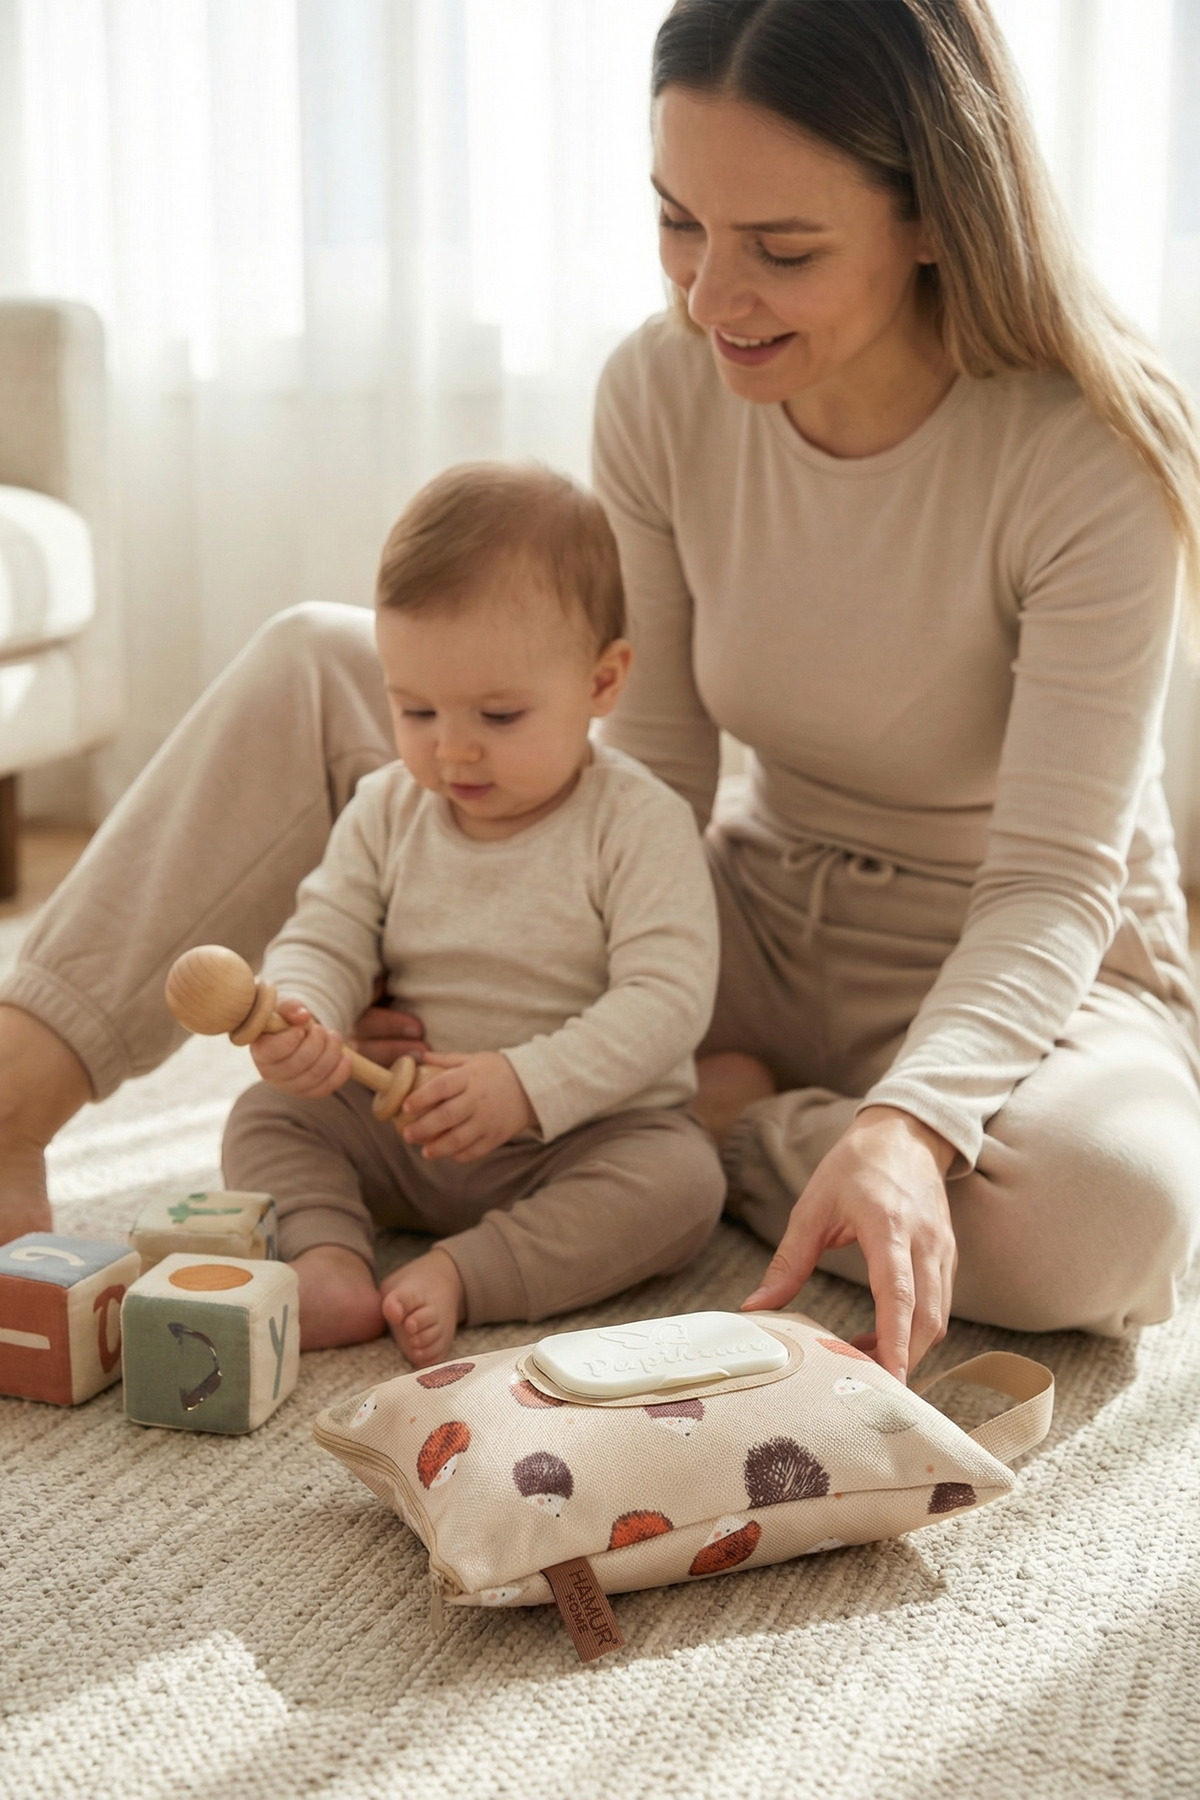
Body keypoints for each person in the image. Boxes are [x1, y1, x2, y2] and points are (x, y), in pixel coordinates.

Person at [2, 0, 1199, 1385]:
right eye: (678, 222)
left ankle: (741, 1136)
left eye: (782, 250)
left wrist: (909, 1125)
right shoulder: (664, 385)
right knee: (320, 661)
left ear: (936, 218)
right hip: (747, 909)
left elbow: (1055, 882)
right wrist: (478, 944)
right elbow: (657, 780)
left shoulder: (1088, 454)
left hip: (1034, 956)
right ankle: (17, 1092)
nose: (708, 297)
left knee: (1101, 1224)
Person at [221, 462, 724, 1365]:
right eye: (414, 708)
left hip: (569, 1140)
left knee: (682, 1182)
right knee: (266, 1116)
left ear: (603, 683)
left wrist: (526, 1086)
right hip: (395, 1122)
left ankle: (470, 1271)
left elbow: (667, 999)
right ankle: (328, 1255)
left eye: (498, 714)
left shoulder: (638, 821)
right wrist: (303, 1012)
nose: (451, 748)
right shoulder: (386, 806)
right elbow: (327, 931)